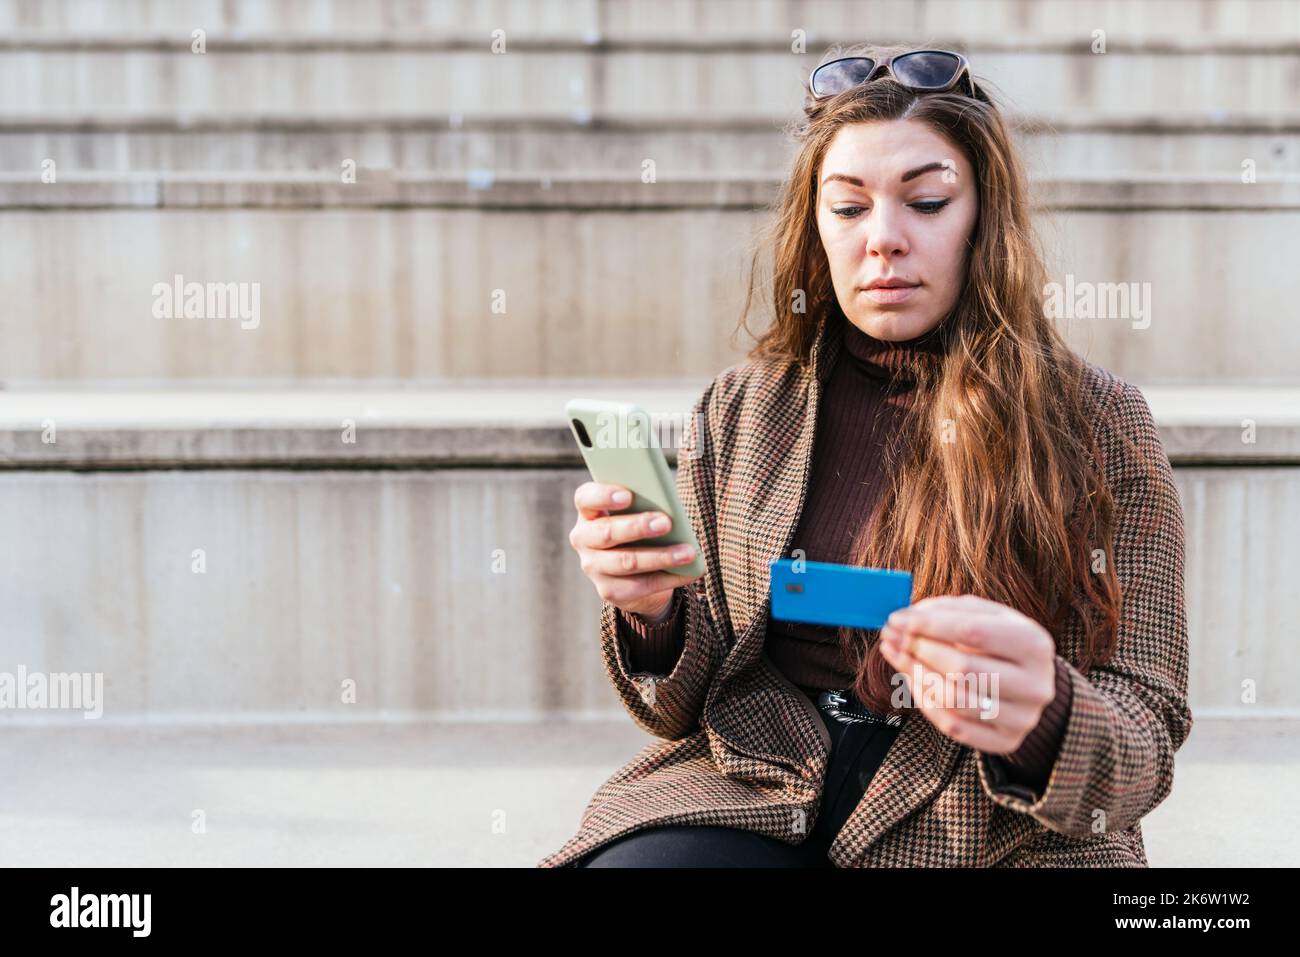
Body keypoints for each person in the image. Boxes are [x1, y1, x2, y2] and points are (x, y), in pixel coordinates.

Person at [546, 44, 1192, 868]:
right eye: (848, 208)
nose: (883, 239)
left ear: (983, 219)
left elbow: (1147, 734)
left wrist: (1046, 717)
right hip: (761, 785)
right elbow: (679, 705)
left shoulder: (1098, 421)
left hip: (993, 824)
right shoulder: (742, 406)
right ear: (815, 228)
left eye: (926, 202)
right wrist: (652, 613)